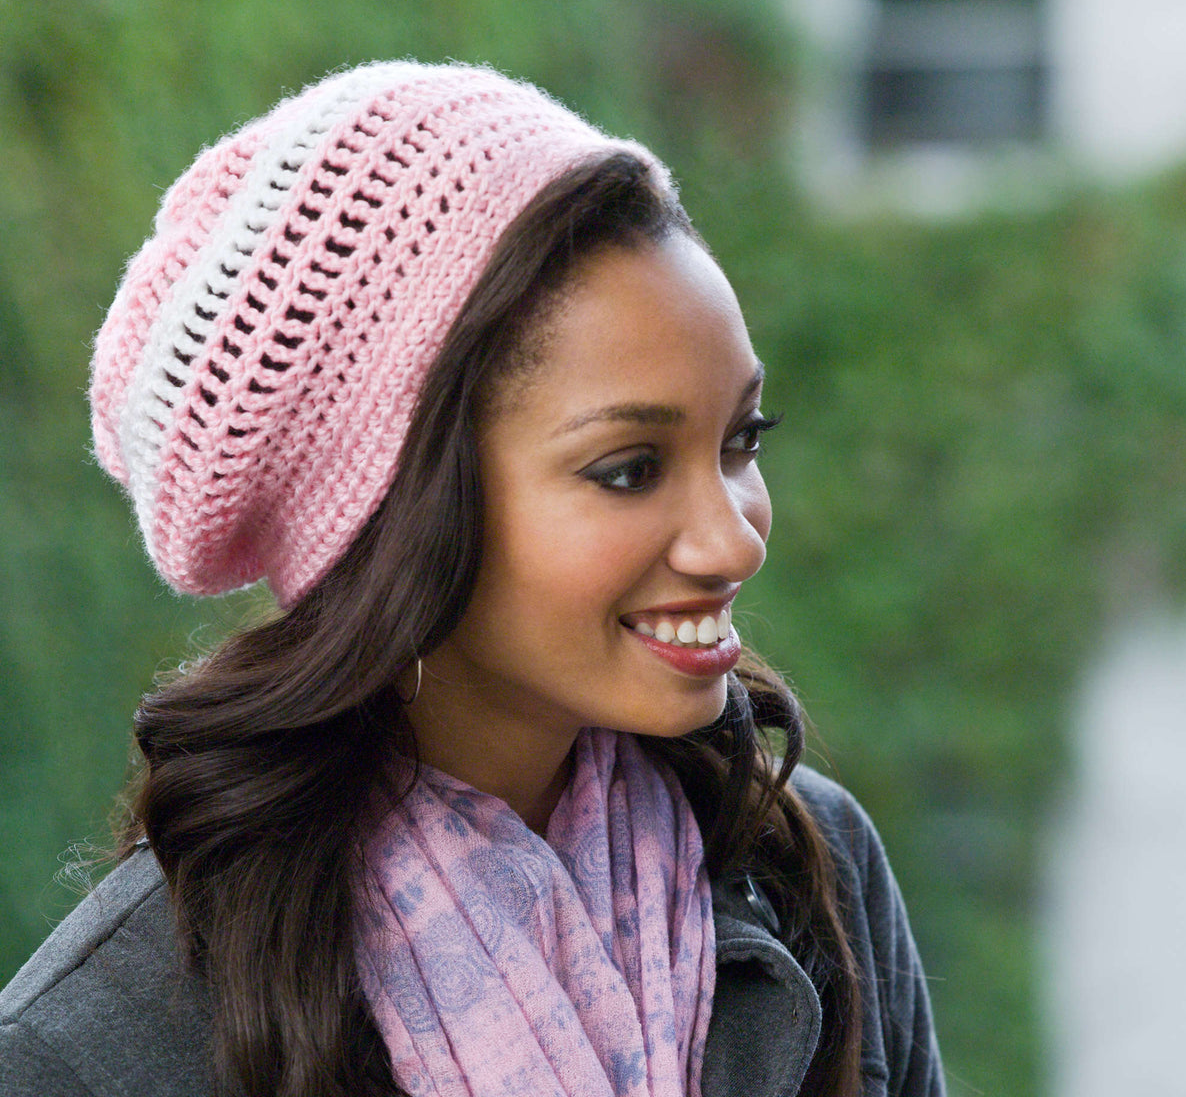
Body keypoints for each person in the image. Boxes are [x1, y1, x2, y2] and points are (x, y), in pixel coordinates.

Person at [0, 62, 943, 1097]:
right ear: (404, 511)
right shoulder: (94, 1050)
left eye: (741, 440)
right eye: (628, 469)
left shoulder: (807, 866)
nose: (734, 541)